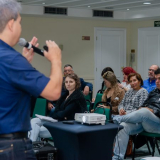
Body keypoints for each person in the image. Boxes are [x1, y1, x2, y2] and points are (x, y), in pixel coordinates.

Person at [0, 0, 62, 159]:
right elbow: (54, 92)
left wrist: (24, 63)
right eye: (20, 22)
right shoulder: (12, 60)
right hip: (11, 146)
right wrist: (56, 60)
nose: (21, 28)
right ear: (11, 24)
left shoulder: (9, 60)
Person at [112, 69, 160, 160]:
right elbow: (143, 106)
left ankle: (117, 119)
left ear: (140, 81)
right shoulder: (154, 92)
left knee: (144, 112)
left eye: (159, 79)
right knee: (122, 127)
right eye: (156, 79)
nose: (157, 81)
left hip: (156, 123)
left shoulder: (143, 91)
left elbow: (144, 109)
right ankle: (117, 157)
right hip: (144, 122)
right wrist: (122, 109)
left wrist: (152, 110)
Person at [29, 73, 87, 141]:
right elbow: (58, 111)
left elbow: (64, 113)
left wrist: (58, 114)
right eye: (66, 82)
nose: (68, 84)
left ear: (76, 83)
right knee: (34, 120)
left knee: (36, 130)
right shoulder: (65, 95)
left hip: (69, 124)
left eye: (71, 82)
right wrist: (59, 114)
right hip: (59, 120)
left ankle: (32, 147)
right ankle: (34, 147)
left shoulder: (78, 96)